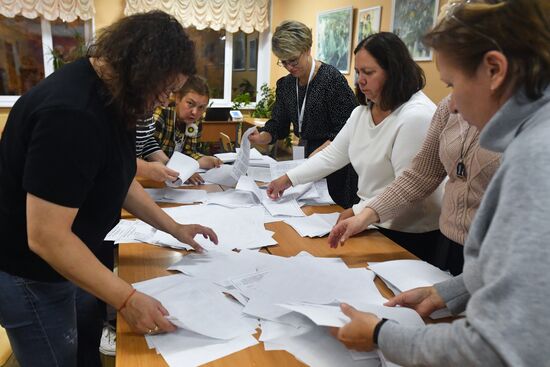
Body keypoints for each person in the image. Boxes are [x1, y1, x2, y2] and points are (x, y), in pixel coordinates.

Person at [332, 1, 550, 365]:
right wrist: (447, 291)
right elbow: (522, 274)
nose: (449, 105)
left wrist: (380, 334)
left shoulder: (536, 155)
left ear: (494, 69)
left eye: (452, 83)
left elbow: (496, 347)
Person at [0, 11, 218, 367]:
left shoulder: (118, 97)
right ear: (142, 71)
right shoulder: (72, 115)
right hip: (29, 273)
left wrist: (174, 229)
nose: (165, 101)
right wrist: (127, 298)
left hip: (72, 256)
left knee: (85, 347)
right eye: (165, 90)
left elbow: (120, 178)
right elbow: (46, 237)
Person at [268, 32, 443, 264]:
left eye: (368, 73)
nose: (360, 80)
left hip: (409, 235)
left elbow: (407, 189)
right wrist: (288, 179)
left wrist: (360, 211)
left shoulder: (416, 117)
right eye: (358, 72)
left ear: (395, 72)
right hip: (371, 222)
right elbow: (332, 156)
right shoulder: (362, 112)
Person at [328, 95, 500, 275]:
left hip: (495, 254)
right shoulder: (447, 108)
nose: (452, 103)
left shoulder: (525, 123)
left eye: (456, 82)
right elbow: (420, 175)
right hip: (451, 243)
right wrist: (363, 217)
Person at [248, 20, 360, 209]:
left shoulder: (331, 80)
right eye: (284, 62)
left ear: (307, 49)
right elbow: (278, 125)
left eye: (293, 60)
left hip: (336, 161)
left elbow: (348, 128)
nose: (289, 67)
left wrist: (320, 155)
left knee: (330, 213)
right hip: (306, 156)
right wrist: (261, 137)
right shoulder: (286, 85)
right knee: (304, 210)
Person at [153, 75, 223, 170]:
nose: (195, 112)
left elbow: (189, 152)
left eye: (201, 107)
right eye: (190, 103)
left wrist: (208, 160)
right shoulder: (161, 114)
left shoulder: (196, 121)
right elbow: (149, 153)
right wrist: (180, 168)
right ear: (177, 98)